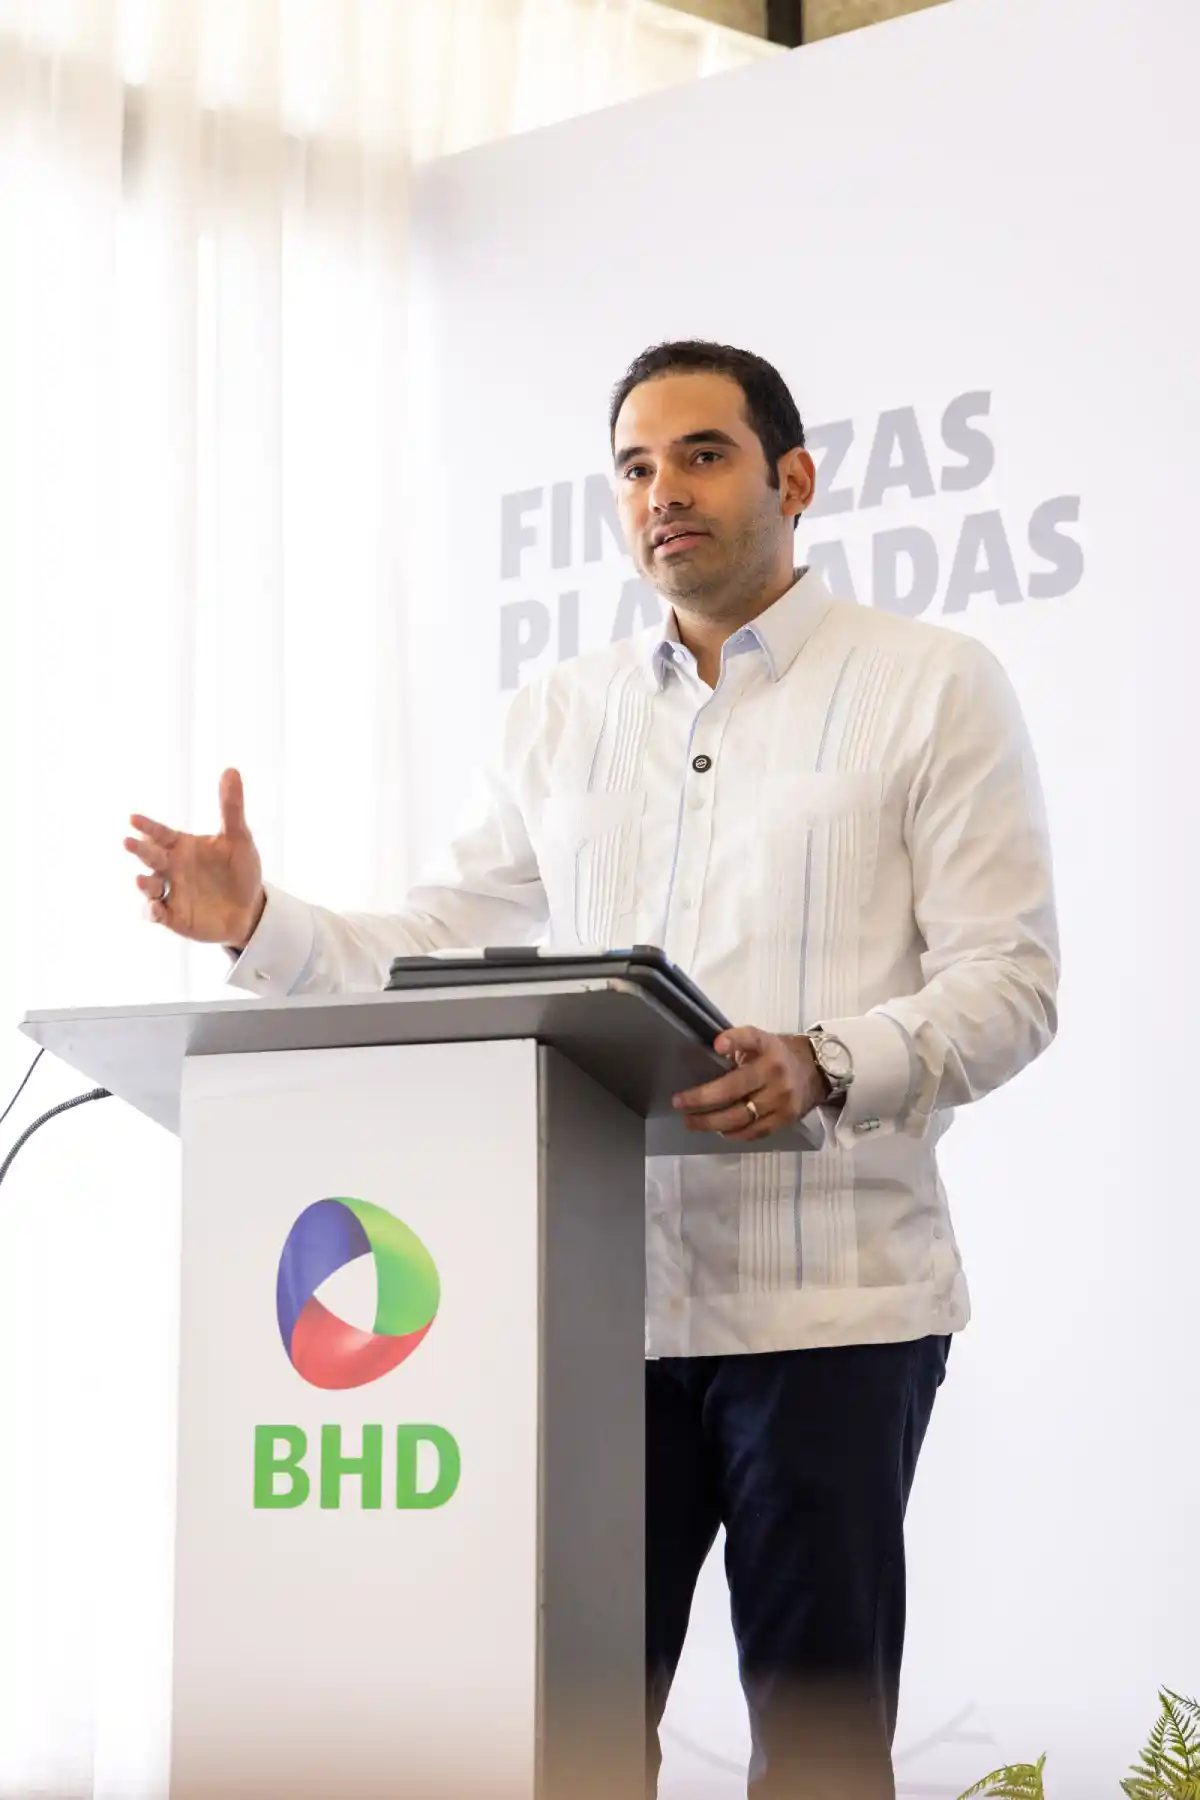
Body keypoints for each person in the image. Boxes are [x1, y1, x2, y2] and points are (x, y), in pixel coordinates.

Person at [124, 340, 1058, 1799]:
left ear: (793, 480)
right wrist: (259, 924)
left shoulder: (931, 686)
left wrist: (827, 1062)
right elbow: (436, 941)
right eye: (634, 467)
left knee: (819, 1760)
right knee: (570, 1750)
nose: (661, 492)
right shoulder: (558, 716)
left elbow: (1010, 979)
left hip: (833, 1310)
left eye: (702, 455)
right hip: (595, 1320)